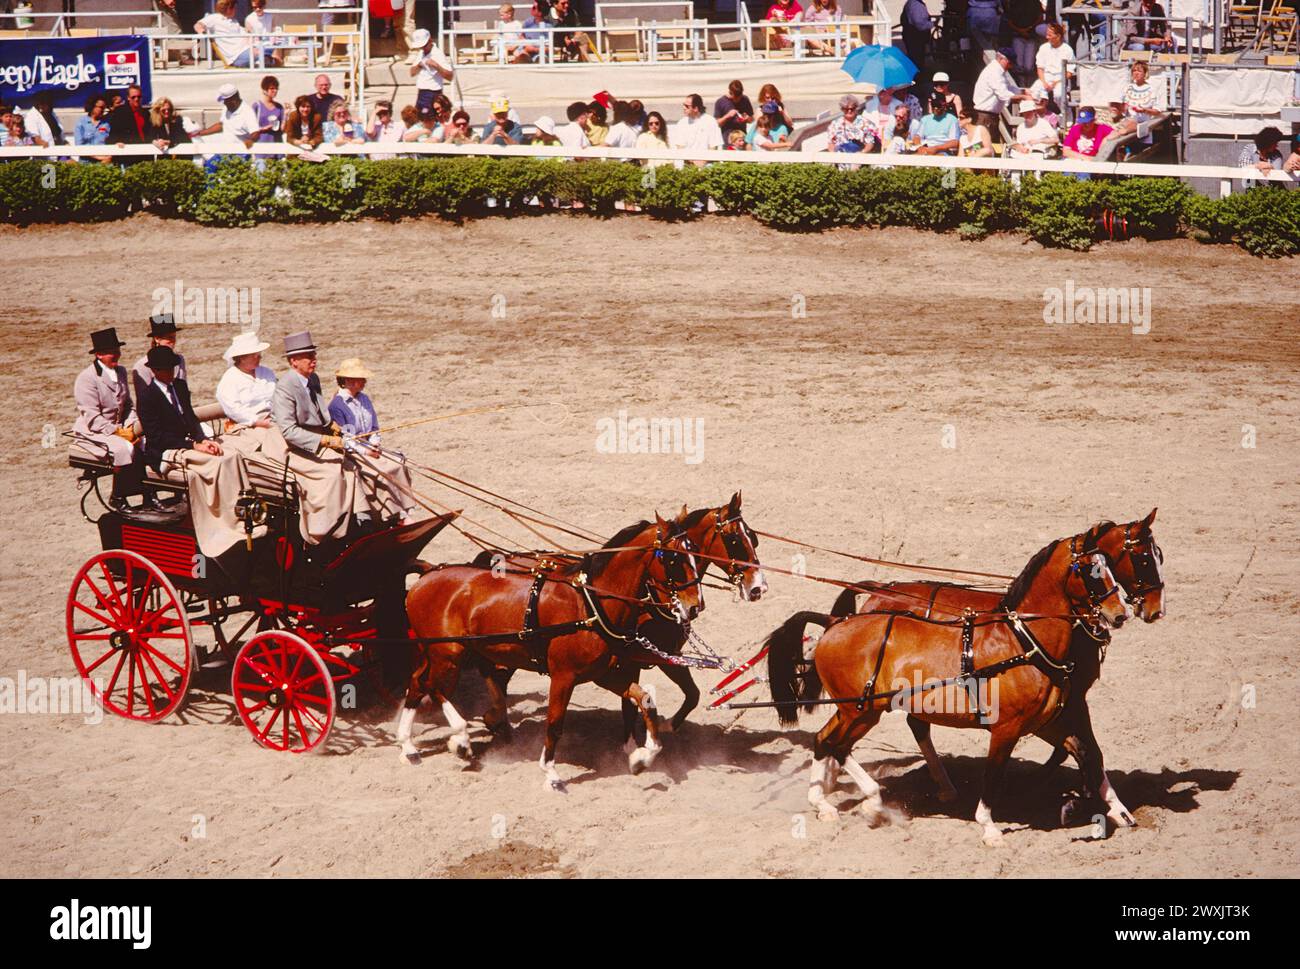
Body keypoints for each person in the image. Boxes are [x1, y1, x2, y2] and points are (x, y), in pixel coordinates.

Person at [139, 345, 257, 557]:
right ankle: (218, 518)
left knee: (229, 455)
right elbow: (157, 436)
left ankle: (238, 511)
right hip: (164, 450)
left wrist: (203, 439)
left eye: (172, 368)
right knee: (215, 464)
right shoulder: (147, 397)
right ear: (155, 371)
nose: (170, 372)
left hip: (187, 442)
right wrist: (193, 445)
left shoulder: (180, 387)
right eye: (166, 369)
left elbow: (191, 419)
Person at [271, 330, 366, 544]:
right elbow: (288, 431)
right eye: (308, 356)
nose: (314, 360)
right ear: (294, 361)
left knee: (351, 463)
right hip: (294, 447)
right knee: (331, 473)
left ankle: (360, 516)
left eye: (314, 355)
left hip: (317, 437)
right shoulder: (284, 388)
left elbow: (319, 413)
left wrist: (334, 428)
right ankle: (321, 529)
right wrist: (326, 440)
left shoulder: (312, 379)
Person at [327, 359, 416, 525]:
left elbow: (374, 427)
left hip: (369, 446)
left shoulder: (365, 399)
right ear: (347, 381)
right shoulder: (336, 406)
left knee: (399, 463)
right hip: (352, 452)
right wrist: (366, 451)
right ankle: (394, 515)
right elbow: (345, 438)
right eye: (360, 378)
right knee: (383, 471)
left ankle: (406, 509)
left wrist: (374, 443)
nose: (364, 382)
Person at [73, 327, 145, 513]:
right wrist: (118, 432)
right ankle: (117, 496)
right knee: (123, 448)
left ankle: (148, 492)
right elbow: (92, 417)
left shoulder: (121, 371)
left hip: (119, 426)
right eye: (111, 352)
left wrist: (130, 426)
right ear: (99, 355)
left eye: (117, 351)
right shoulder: (87, 379)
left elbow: (128, 405)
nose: (116, 355)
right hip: (94, 430)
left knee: (146, 441)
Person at [216, 331, 277, 429]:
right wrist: (257, 422)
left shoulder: (267, 372)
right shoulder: (229, 380)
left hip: (274, 418)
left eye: (259, 354)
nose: (259, 357)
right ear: (242, 358)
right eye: (254, 355)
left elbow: (277, 396)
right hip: (247, 425)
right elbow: (234, 410)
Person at [133, 313, 188, 404]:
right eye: (169, 338)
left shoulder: (180, 359)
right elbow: (145, 399)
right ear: (157, 339)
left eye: (174, 337)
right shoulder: (142, 366)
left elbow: (184, 391)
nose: (173, 342)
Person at [973, 47, 1032, 130]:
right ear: (1001, 59)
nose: (1011, 66)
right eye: (1009, 63)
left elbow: (1008, 87)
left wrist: (1023, 91)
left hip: (990, 116)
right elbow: (1004, 95)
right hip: (985, 117)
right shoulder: (994, 72)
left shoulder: (999, 71)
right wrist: (1024, 97)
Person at [196, 84, 269, 150]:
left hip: (240, 156)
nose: (224, 103)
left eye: (225, 100)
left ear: (233, 100)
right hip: (226, 152)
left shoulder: (247, 113)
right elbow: (222, 125)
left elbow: (255, 134)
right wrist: (199, 133)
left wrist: (246, 147)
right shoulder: (226, 108)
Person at [407, 28, 454, 114]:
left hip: (433, 93)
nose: (422, 48)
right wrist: (419, 65)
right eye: (420, 47)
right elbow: (412, 73)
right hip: (422, 92)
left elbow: (450, 76)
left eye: (424, 46)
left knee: (427, 117)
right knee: (418, 117)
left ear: (430, 40)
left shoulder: (438, 54)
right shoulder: (421, 53)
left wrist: (436, 66)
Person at [197, 0, 256, 67]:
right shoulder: (215, 18)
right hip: (236, 56)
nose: (236, 10)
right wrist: (203, 33)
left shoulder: (234, 21)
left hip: (247, 49)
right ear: (228, 9)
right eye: (234, 8)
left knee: (266, 50)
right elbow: (198, 26)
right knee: (262, 51)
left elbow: (246, 33)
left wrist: (248, 31)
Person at [1061, 106, 1114, 176]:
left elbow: (1116, 134)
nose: (1085, 125)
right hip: (1075, 160)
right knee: (1068, 172)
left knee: (1084, 173)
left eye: (1087, 122)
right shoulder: (1075, 129)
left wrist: (1105, 139)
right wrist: (1085, 158)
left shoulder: (1102, 129)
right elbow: (1066, 151)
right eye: (1082, 122)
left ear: (1093, 120)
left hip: (1091, 164)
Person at [671, 94, 723, 163]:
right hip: (688, 165)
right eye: (683, 104)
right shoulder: (681, 123)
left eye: (687, 106)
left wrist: (702, 162)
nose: (684, 107)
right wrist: (692, 162)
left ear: (695, 108)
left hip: (708, 165)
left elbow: (713, 146)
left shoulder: (710, 121)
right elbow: (680, 146)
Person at [1035, 22, 1072, 114]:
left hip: (1060, 78)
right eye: (1047, 35)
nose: (1047, 37)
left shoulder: (1067, 49)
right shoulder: (1043, 47)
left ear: (1058, 36)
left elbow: (1069, 72)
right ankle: (1038, 116)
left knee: (1059, 95)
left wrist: (1056, 82)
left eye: (1050, 35)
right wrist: (1044, 82)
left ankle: (1066, 117)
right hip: (1046, 76)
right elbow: (1040, 68)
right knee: (1035, 91)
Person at [1007, 0, 1045, 82]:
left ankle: (1028, 84)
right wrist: (1020, 30)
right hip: (1017, 36)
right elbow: (1009, 21)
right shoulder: (1014, 3)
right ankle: (1021, 83)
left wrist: (1030, 28)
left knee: (1029, 66)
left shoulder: (1035, 2)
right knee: (1019, 64)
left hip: (1031, 36)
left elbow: (1040, 17)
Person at [75, 93, 112, 164]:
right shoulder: (81, 123)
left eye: (104, 108)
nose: (103, 110)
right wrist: (97, 156)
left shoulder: (107, 123)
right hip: (86, 163)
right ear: (92, 106)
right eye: (100, 107)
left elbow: (111, 141)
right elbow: (79, 145)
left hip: (104, 162)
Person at [900, 0, 934, 71]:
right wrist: (931, 24)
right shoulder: (915, 5)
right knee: (916, 60)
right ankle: (917, 78)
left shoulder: (913, 3)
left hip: (913, 36)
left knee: (916, 58)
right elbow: (919, 24)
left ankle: (917, 76)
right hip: (915, 37)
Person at [252, 75, 284, 143]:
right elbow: (250, 128)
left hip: (277, 145)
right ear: (264, 90)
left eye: (276, 88)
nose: (275, 91)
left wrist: (286, 114)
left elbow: (282, 129)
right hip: (261, 145)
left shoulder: (279, 107)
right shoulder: (257, 106)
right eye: (272, 88)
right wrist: (264, 128)